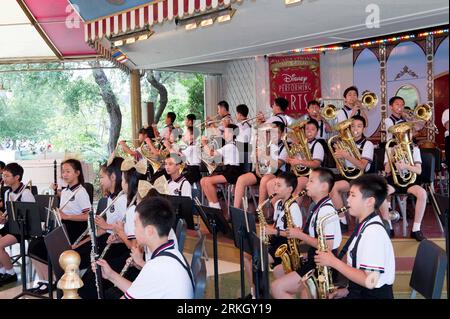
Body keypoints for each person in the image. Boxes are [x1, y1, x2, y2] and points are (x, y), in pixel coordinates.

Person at [94, 197, 194, 299]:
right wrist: (110, 274)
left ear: (149, 231)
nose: (134, 230)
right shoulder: (171, 254)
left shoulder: (156, 267)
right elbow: (137, 290)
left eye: (136, 225)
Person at [315, 174, 395, 299]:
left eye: (353, 195)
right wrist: (344, 291)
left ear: (370, 201)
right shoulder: (364, 225)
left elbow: (370, 281)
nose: (347, 200)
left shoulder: (373, 233)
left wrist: (333, 262)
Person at [78, 158, 146, 299]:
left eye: (123, 181)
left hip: (136, 260)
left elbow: (135, 247)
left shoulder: (133, 208)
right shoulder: (132, 204)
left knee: (95, 278)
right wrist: (119, 237)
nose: (122, 183)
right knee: (93, 273)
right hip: (134, 255)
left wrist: (119, 232)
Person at [271, 168, 341, 299]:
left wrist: (299, 235)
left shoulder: (326, 211)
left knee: (276, 287)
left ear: (324, 187)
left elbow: (328, 246)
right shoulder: (318, 207)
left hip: (323, 266)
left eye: (311, 181)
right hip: (315, 258)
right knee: (279, 270)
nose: (306, 184)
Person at [26, 159, 92, 294]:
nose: (64, 174)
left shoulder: (81, 192)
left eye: (68, 171)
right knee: (33, 246)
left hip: (76, 230)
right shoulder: (66, 190)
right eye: (63, 172)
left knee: (45, 248)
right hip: (64, 228)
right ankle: (45, 281)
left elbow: (88, 216)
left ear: (77, 173)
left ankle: (55, 280)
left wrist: (66, 216)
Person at [243, 172, 302, 298]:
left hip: (286, 245)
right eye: (275, 185)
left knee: (257, 260)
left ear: (290, 189)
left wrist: (274, 232)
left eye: (279, 186)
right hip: (276, 241)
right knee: (246, 255)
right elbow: (277, 225)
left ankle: (261, 293)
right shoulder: (280, 204)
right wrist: (267, 230)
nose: (275, 189)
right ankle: (255, 291)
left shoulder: (294, 207)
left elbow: (297, 235)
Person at [329, 115, 374, 232]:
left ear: (364, 128)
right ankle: (342, 220)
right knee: (332, 187)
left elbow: (362, 166)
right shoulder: (344, 143)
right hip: (350, 176)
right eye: (352, 126)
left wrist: (346, 155)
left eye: (359, 126)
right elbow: (342, 167)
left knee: (356, 191)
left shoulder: (367, 144)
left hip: (363, 178)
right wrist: (339, 157)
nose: (355, 129)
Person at [383, 137, 427, 241]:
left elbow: (418, 170)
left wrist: (406, 166)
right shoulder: (389, 149)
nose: (401, 137)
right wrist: (391, 155)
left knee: (422, 193)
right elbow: (387, 170)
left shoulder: (415, 149)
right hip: (393, 181)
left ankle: (416, 229)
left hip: (410, 181)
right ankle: (389, 227)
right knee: (381, 193)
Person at [0, 163, 35, 286]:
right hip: (11, 226)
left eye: (7, 176)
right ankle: (2, 271)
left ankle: (11, 274)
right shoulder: (7, 193)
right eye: (3, 175)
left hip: (23, 228)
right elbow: (8, 215)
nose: (4, 178)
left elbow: (32, 217)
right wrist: (3, 219)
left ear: (17, 177)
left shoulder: (26, 193)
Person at [200, 124, 241, 217]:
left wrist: (204, 143)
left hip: (232, 172)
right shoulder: (229, 146)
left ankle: (217, 209)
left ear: (231, 134)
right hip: (228, 170)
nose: (223, 135)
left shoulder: (231, 146)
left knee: (208, 181)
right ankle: (212, 205)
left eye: (225, 132)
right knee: (203, 180)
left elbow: (211, 153)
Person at [284, 119, 324, 198]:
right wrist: (290, 158)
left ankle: (293, 208)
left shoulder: (317, 145)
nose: (309, 131)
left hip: (311, 174)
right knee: (280, 183)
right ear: (303, 130)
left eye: (313, 129)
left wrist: (299, 162)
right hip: (297, 173)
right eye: (307, 129)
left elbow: (316, 164)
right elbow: (290, 161)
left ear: (317, 132)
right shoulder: (298, 144)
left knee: (297, 184)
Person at [235, 104, 252, 171]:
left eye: (237, 113)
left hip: (241, 151)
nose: (236, 115)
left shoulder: (238, 126)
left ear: (239, 114)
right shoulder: (249, 125)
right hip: (247, 150)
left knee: (240, 171)